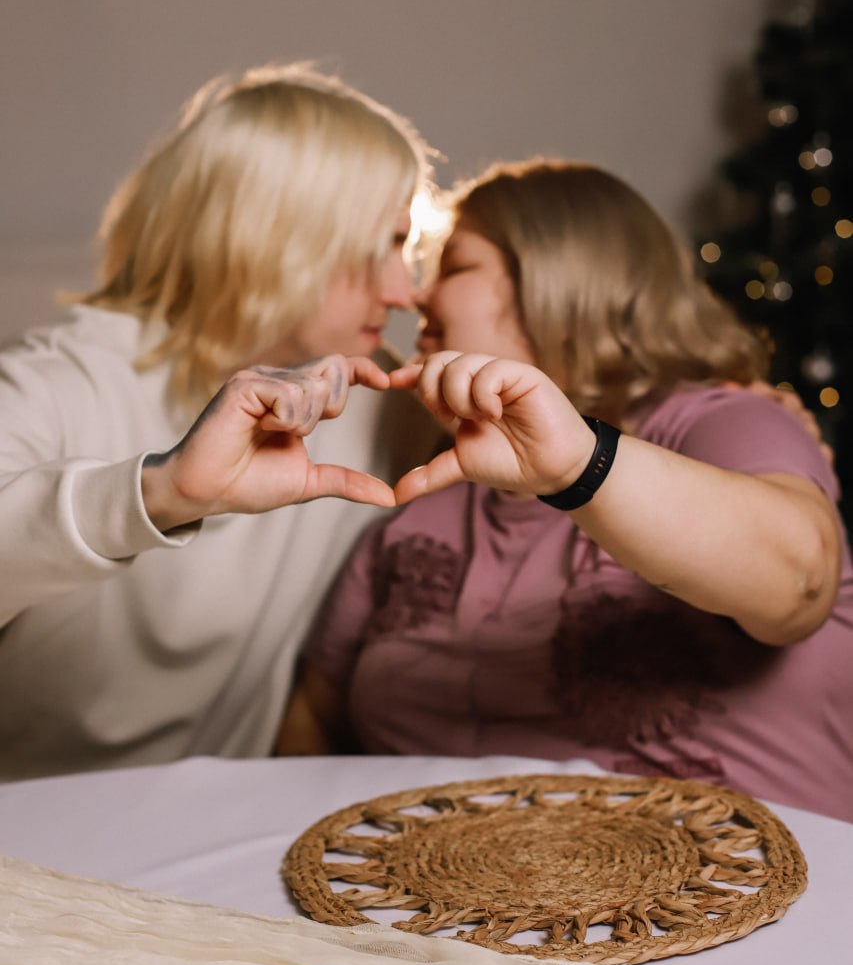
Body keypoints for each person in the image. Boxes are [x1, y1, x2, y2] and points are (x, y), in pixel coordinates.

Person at [278, 159, 853, 821]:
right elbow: (313, 719)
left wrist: (581, 464)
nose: (416, 297)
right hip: (434, 877)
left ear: (565, 281)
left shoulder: (719, 423)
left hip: (735, 873)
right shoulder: (422, 503)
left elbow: (799, 583)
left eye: (455, 267)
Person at [0, 61, 441, 780]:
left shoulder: (380, 403)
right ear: (277, 240)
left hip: (222, 824)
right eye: (382, 246)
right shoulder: (50, 386)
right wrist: (160, 494)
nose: (404, 290)